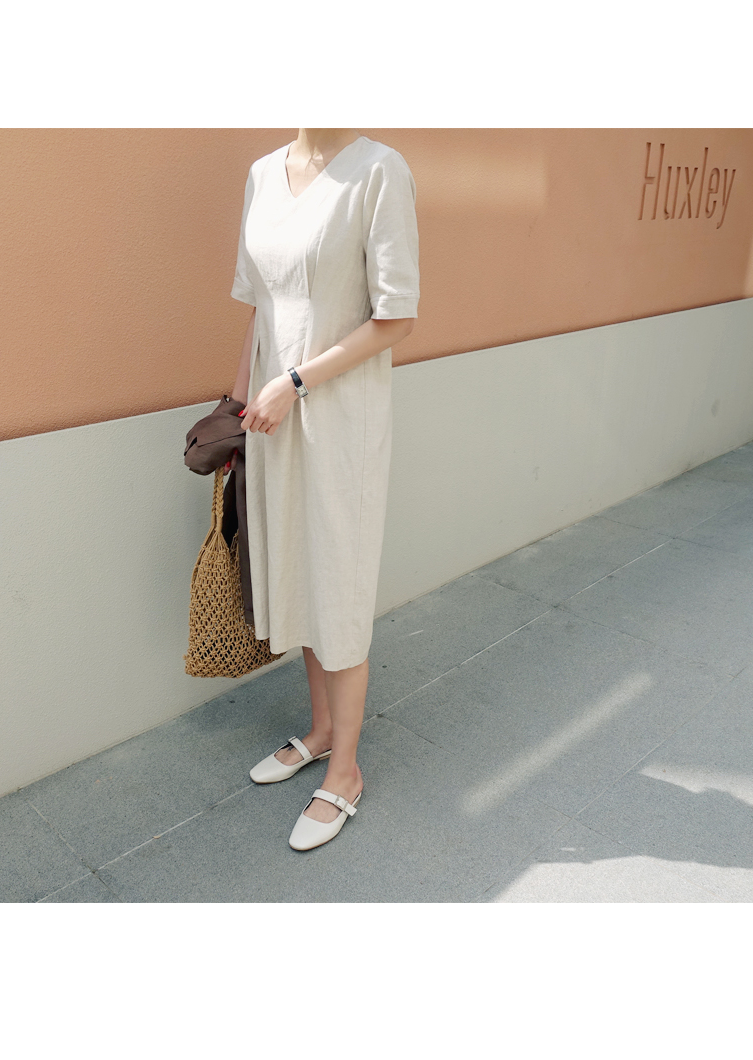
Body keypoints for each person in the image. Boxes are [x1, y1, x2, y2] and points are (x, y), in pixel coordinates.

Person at [226, 129, 420, 850]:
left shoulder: (379, 171)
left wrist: (295, 382)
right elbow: (259, 307)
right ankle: (321, 730)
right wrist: (235, 406)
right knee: (301, 574)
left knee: (338, 584)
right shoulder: (262, 174)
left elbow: (396, 317)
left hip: (338, 419)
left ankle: (346, 771)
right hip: (273, 418)